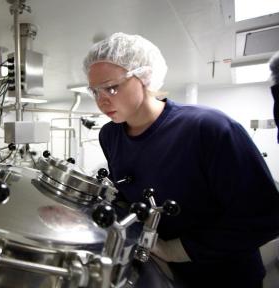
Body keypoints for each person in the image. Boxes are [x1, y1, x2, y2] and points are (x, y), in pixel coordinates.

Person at [84, 32, 279, 287]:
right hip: (160, 272)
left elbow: (265, 216)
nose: (101, 101)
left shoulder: (209, 128)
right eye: (94, 91)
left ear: (144, 77)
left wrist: (176, 250)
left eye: (111, 87)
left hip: (225, 276)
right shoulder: (110, 135)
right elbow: (127, 192)